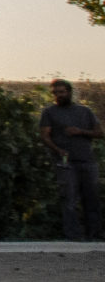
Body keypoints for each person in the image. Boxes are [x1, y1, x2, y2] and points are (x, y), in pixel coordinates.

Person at [38, 78, 101, 243]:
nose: (59, 95)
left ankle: (93, 235)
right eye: (56, 93)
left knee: (91, 198)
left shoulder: (84, 111)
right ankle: (73, 236)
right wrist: (58, 150)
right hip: (65, 162)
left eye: (62, 92)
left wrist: (80, 132)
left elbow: (100, 132)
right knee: (69, 198)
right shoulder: (49, 112)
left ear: (69, 92)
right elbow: (45, 136)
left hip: (87, 160)